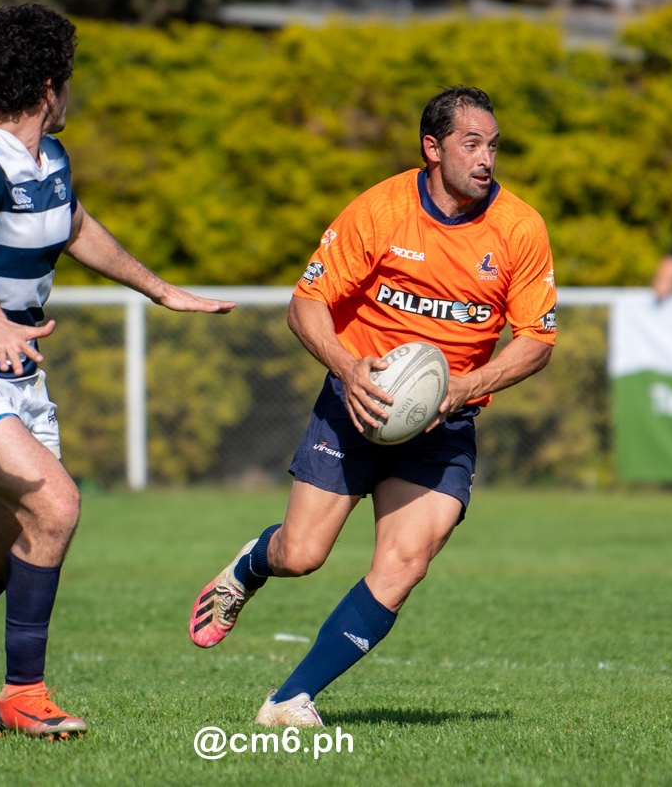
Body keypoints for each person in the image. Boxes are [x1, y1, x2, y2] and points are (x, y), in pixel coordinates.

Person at [0, 3, 235, 739]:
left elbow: (74, 227)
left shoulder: (51, 161)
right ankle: (22, 695)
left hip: (14, 374)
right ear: (50, 86)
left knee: (7, 548)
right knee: (57, 506)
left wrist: (161, 289)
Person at [189, 85, 556, 726]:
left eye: (493, 145)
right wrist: (348, 369)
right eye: (471, 143)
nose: (486, 158)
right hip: (357, 403)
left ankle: (288, 700)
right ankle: (250, 565)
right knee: (301, 555)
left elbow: (537, 340)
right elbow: (305, 305)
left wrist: (469, 387)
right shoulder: (382, 210)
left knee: (405, 561)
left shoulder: (520, 227)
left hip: (446, 420)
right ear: (432, 147)